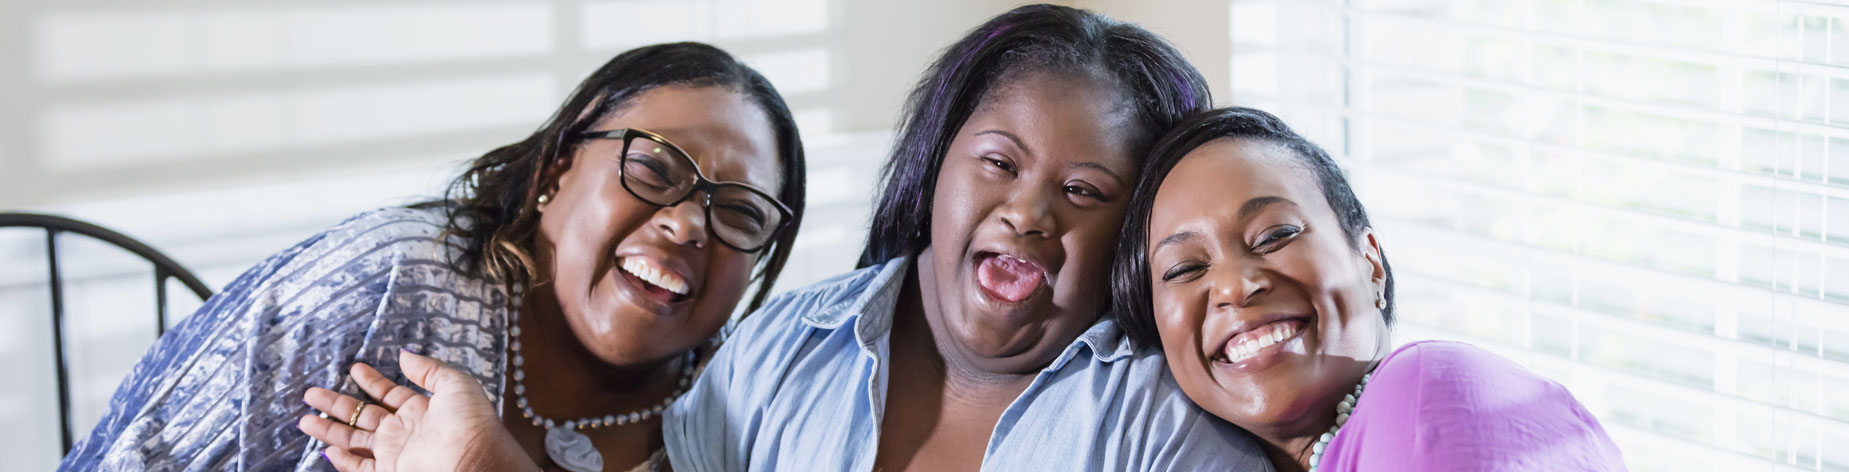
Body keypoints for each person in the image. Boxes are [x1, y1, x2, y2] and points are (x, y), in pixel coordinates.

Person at [296, 4, 1268, 471]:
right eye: (998, 163)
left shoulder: (1158, 421)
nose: (1029, 211)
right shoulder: (775, 358)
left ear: (1135, 230)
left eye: (1085, 189)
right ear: (935, 166)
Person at [60, 42, 807, 472]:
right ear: (554, 170)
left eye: (739, 212)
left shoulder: (751, 412)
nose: (688, 225)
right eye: (653, 170)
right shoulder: (386, 285)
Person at [1111, 107, 1626, 471]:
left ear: (1370, 264)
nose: (1235, 286)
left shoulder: (1428, 395)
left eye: (1275, 235)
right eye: (1183, 269)